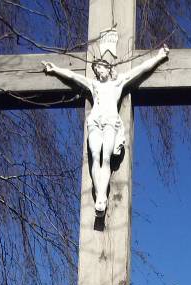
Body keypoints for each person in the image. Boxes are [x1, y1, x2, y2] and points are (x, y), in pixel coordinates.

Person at [43, 45, 169, 214]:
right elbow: (73, 76)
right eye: (96, 70)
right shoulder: (93, 84)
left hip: (110, 122)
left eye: (100, 68)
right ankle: (100, 195)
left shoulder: (118, 82)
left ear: (108, 69)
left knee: (106, 157)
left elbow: (141, 69)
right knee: (95, 156)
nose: (98, 71)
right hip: (95, 121)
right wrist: (56, 69)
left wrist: (159, 57)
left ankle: (102, 196)